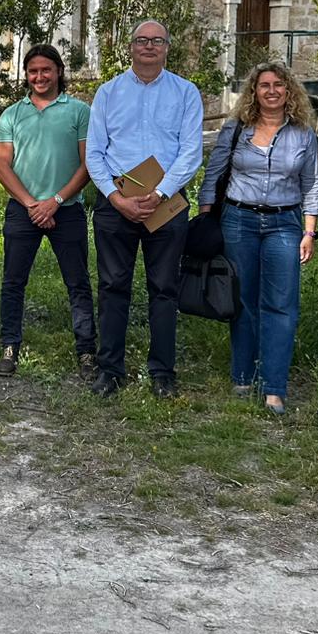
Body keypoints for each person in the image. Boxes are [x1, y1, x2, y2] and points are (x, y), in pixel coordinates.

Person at [85, 20, 204, 397]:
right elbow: (94, 153)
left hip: (165, 204)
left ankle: (162, 373)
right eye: (141, 40)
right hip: (115, 203)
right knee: (112, 287)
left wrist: (161, 193)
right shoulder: (108, 92)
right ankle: (110, 370)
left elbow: (191, 152)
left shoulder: (186, 93)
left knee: (164, 289)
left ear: (168, 47)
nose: (149, 46)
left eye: (156, 41)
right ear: (131, 47)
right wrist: (116, 198)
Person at [197, 61, 318, 414]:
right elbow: (214, 173)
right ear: (253, 91)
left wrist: (309, 231)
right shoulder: (236, 129)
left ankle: (274, 387)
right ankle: (242, 377)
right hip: (238, 221)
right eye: (264, 85)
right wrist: (207, 218)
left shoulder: (302, 134)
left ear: (289, 91)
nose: (271, 91)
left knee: (281, 305)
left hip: (285, 223)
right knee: (242, 301)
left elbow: (311, 184)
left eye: (278, 85)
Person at [0, 45, 96, 382]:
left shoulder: (79, 111)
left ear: (59, 72)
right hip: (24, 211)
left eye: (46, 70)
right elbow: (2, 165)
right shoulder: (12, 114)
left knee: (78, 283)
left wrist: (55, 200)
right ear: (26, 75)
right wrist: (33, 204)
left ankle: (86, 351)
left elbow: (88, 163)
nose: (39, 77)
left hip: (67, 210)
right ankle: (10, 346)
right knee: (12, 282)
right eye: (33, 71)